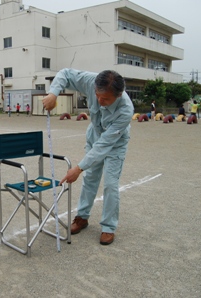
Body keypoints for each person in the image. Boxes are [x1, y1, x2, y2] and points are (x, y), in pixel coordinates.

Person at [42, 68, 133, 246]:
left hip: (115, 143)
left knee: (110, 184)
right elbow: (65, 74)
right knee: (90, 178)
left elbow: (104, 145)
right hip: (94, 135)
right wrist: (54, 93)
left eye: (105, 99)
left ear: (119, 95)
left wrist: (77, 168)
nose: (99, 101)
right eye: (97, 95)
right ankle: (82, 217)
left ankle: (108, 226)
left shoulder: (125, 110)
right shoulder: (91, 81)